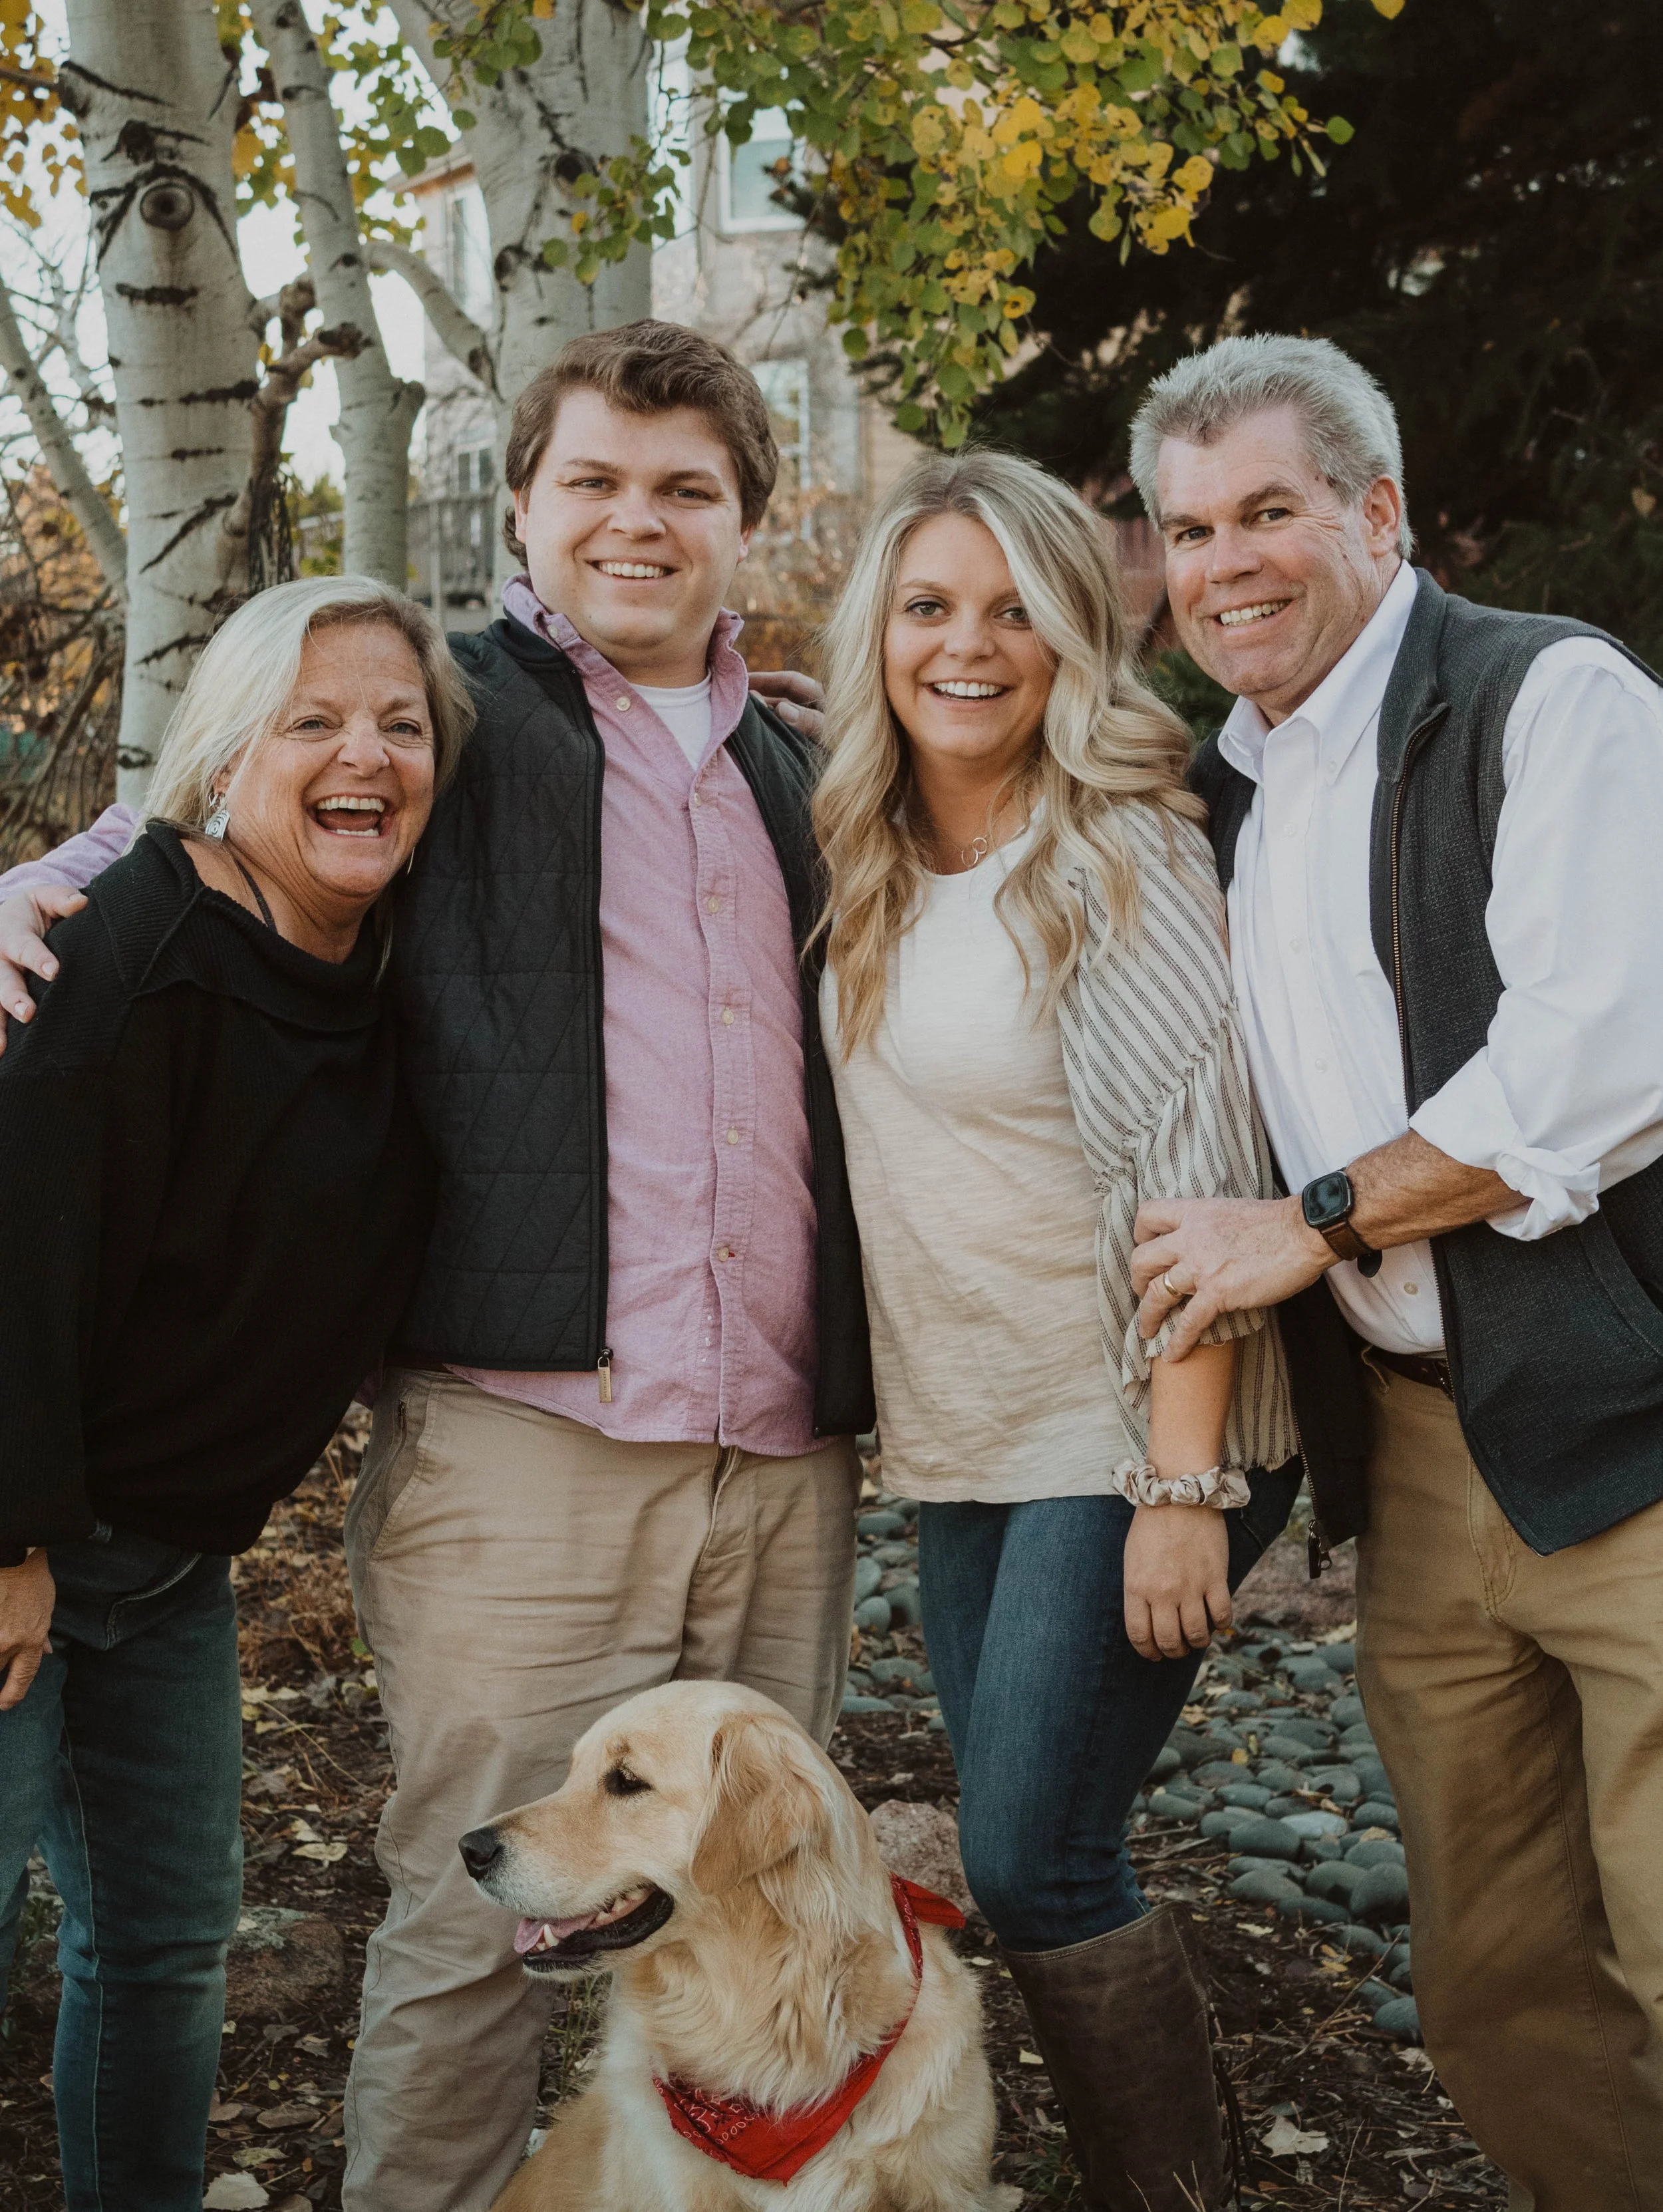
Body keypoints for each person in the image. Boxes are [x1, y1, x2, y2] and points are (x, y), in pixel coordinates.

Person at [0, 321, 875, 2211]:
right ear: (525, 506)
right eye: (593, 482)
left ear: (745, 519)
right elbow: (201, 805)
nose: (636, 522)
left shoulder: (800, 760)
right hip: (529, 1447)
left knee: (752, 1912)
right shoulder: (443, 714)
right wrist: (17, 889)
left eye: (684, 490)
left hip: (784, 1457)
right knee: (479, 1922)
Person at [1122, 333, 1663, 2209]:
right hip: (1420, 1456)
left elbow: (1605, 1055)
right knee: (1493, 1981)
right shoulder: (1222, 787)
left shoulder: (1546, 699)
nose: (1223, 565)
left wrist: (1317, 1219)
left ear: (1377, 511)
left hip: (1634, 1418)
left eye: (1266, 511)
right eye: (1191, 529)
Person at [814, 448, 1302, 2212]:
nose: (965, 645)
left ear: (1077, 637)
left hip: (1129, 1423)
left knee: (1032, 1856)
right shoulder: (864, 843)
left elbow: (1196, 1182)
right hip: (969, 1433)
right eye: (927, 606)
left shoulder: (1119, 851)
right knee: (1034, 1847)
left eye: (1014, 610)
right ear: (877, 632)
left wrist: (1181, 1485)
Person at [0, 576, 468, 2212]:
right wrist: (11, 1545)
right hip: (22, 1541)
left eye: (400, 725)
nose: (365, 756)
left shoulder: (387, 963)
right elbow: (13, 1250)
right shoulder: (125, 951)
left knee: (165, 1947)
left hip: (166, 1564)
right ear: (224, 753)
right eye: (312, 721)